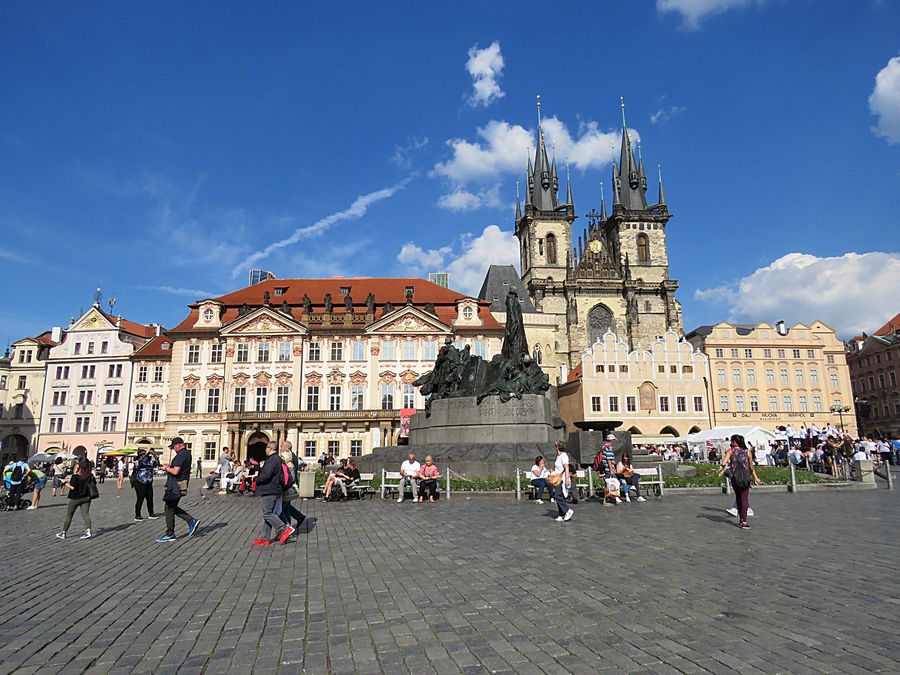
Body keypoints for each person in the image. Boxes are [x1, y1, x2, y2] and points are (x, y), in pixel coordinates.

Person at [156, 438, 200, 543]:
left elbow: (175, 471)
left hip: (176, 485)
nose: (174, 449)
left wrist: (165, 468)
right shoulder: (186, 454)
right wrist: (169, 466)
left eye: (174, 447)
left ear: (178, 445)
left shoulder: (181, 454)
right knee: (171, 507)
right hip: (181, 484)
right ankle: (191, 521)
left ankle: (170, 533)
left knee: (169, 508)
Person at [253, 442, 293, 546]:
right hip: (275, 489)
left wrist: (256, 479)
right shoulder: (278, 459)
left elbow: (266, 475)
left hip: (269, 489)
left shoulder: (272, 459)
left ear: (270, 448)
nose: (265, 450)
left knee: (267, 514)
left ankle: (283, 529)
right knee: (269, 514)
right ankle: (264, 538)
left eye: (266, 448)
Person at [719, 434, 760, 530]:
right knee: (744, 498)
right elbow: (751, 467)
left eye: (731, 441)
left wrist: (725, 468)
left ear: (734, 442)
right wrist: (756, 477)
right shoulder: (747, 451)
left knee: (738, 497)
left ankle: (741, 519)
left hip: (735, 478)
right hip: (746, 477)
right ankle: (744, 521)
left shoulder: (730, 451)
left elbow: (723, 463)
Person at [56, 459, 95, 539]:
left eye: (77, 464)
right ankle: (88, 531)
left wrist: (65, 483)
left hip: (75, 498)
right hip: (87, 497)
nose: (76, 465)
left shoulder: (75, 476)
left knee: (69, 515)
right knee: (85, 515)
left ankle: (63, 533)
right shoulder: (89, 475)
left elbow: (73, 488)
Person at [278, 446, 305, 533]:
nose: (281, 458)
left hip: (287, 490)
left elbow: (291, 479)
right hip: (286, 490)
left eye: (282, 456)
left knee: (280, 509)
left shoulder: (289, 465)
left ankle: (287, 527)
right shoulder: (288, 465)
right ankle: (297, 517)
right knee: (286, 508)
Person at [132, 448, 159, 521]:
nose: (146, 456)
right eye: (143, 455)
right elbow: (141, 460)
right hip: (140, 482)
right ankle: (137, 515)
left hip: (148, 482)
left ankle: (151, 514)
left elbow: (157, 463)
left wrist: (154, 454)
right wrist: (146, 453)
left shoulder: (150, 462)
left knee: (150, 498)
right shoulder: (138, 462)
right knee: (140, 499)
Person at [551, 441, 574, 522]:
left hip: (562, 478)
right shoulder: (558, 456)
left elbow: (566, 467)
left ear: (558, 447)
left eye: (556, 445)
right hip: (557, 478)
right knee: (560, 496)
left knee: (558, 495)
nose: (555, 447)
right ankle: (561, 514)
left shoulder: (564, 455)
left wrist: (567, 478)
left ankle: (567, 510)